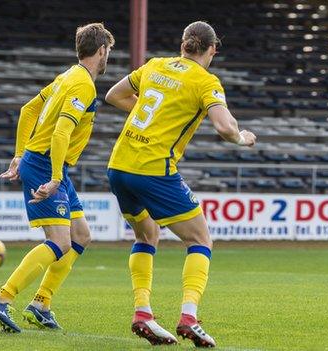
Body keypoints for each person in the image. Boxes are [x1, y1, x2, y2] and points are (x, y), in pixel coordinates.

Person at [105, 21, 256, 347]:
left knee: (147, 234)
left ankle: (143, 313)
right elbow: (223, 127)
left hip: (118, 165)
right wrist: (242, 138)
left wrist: (150, 119)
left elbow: (113, 95)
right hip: (153, 169)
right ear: (212, 49)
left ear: (184, 44)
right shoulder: (205, 81)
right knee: (200, 239)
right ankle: (189, 317)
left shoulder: (155, 65)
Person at [0, 23, 114, 333]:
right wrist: (54, 177)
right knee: (59, 241)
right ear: (100, 51)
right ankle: (2, 297)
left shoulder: (66, 76)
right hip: (46, 165)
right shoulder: (83, 84)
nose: (108, 56)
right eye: (108, 51)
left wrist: (18, 154)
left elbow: (28, 109)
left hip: (49, 164)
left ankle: (41, 303)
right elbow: (61, 131)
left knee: (81, 236)